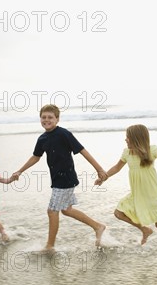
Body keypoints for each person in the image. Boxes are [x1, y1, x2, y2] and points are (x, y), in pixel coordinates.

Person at [11, 104, 108, 252]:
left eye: (50, 117)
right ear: (40, 119)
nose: (46, 120)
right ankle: (98, 227)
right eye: (44, 117)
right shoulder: (42, 138)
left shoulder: (64, 134)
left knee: (52, 211)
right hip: (57, 179)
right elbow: (35, 157)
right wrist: (20, 171)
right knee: (66, 210)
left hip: (66, 178)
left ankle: (50, 246)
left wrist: (99, 169)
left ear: (57, 119)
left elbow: (83, 151)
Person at [95, 124, 157, 260]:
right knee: (118, 213)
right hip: (137, 195)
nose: (125, 140)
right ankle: (144, 229)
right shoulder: (127, 153)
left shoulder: (151, 151)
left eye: (128, 138)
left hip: (152, 195)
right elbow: (116, 168)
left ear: (136, 139)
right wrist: (104, 177)